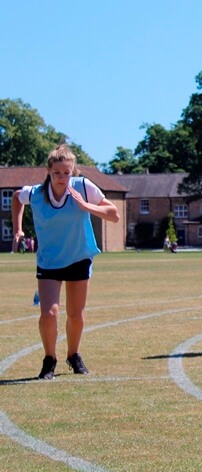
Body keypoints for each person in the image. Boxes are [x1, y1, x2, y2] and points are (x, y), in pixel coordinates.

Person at [12, 144, 120, 379]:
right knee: (49, 313)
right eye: (57, 173)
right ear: (48, 172)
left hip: (78, 257)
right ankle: (49, 359)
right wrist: (18, 229)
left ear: (74, 172)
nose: (62, 177)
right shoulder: (36, 193)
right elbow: (16, 198)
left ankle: (73, 355)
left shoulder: (83, 187)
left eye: (67, 172)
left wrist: (86, 206)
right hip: (49, 261)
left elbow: (114, 215)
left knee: (75, 315)